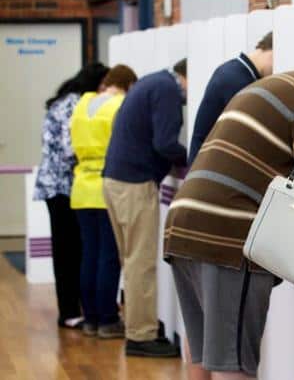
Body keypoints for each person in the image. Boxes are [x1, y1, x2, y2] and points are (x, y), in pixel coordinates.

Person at [164, 68, 294, 380]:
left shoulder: (271, 87)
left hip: (183, 224)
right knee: (234, 364)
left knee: (202, 353)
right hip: (228, 236)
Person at [102, 59, 188, 358]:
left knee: (132, 260)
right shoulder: (168, 90)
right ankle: (141, 335)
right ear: (185, 77)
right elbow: (165, 143)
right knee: (141, 262)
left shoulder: (152, 82)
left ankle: (139, 327)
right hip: (134, 183)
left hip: (116, 180)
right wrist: (193, 158)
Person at [33, 62, 109, 330]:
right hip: (63, 186)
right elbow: (69, 147)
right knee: (68, 250)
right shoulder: (75, 104)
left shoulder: (64, 101)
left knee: (68, 249)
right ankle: (68, 311)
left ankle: (70, 308)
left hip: (55, 185)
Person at [69, 65, 137, 338]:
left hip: (81, 187)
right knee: (109, 257)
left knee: (89, 255)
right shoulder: (119, 106)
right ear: (128, 85)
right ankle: (108, 318)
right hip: (108, 186)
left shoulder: (82, 104)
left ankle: (90, 318)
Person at [188, 32, 274, 164]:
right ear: (271, 52)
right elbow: (248, 134)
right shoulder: (237, 80)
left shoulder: (234, 70)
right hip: (208, 167)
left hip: (204, 165)